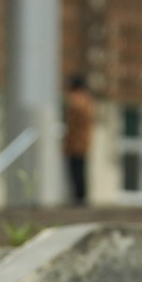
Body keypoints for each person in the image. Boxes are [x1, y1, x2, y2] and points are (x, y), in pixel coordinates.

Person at [64, 75, 94, 205]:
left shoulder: (75, 100)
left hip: (75, 143)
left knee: (75, 171)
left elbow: (72, 125)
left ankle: (78, 197)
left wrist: (67, 143)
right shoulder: (87, 100)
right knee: (81, 170)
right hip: (83, 142)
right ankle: (81, 196)